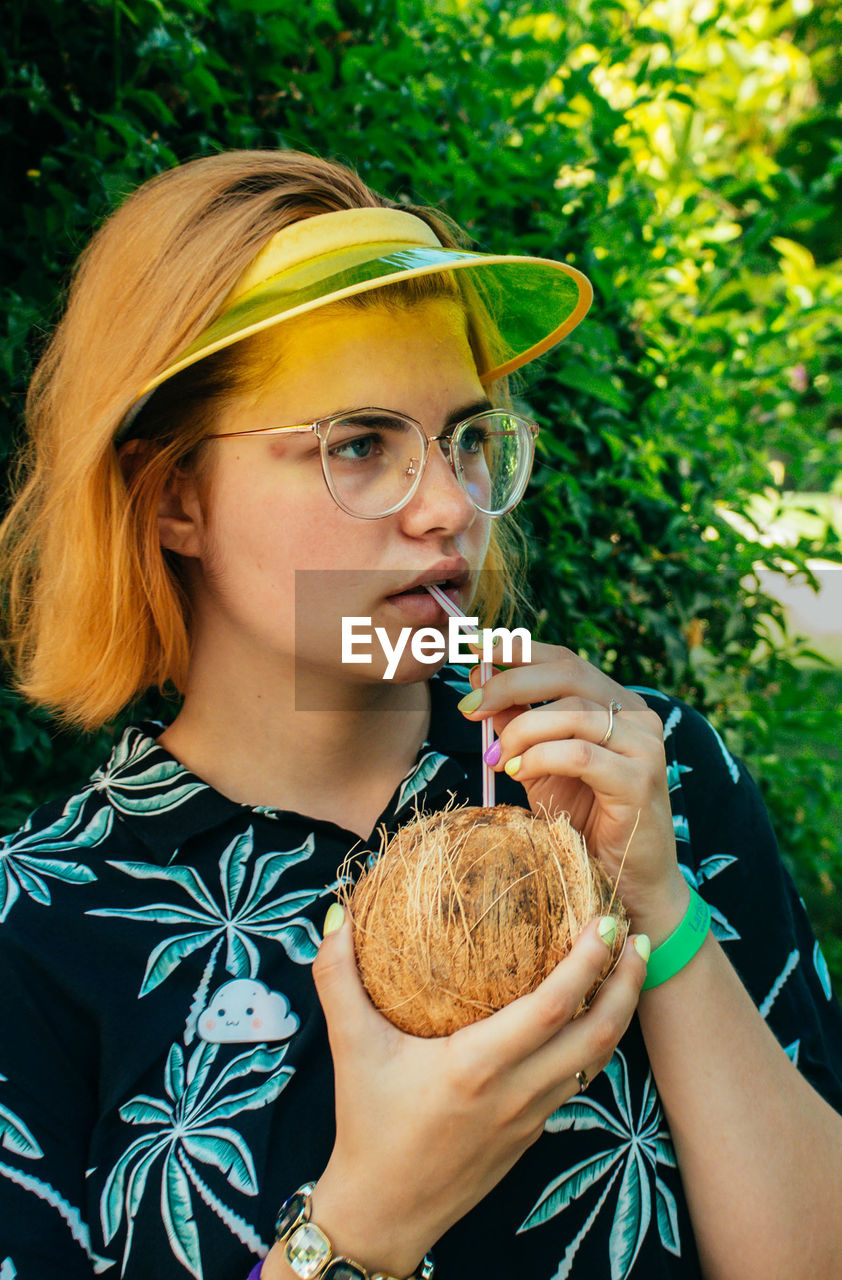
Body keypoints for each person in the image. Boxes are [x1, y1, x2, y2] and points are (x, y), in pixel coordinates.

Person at [0, 149, 840, 1280]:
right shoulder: (37, 925)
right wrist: (362, 1226)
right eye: (357, 445)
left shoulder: (649, 773)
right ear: (175, 499)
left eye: (467, 439)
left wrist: (659, 904)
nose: (449, 507)